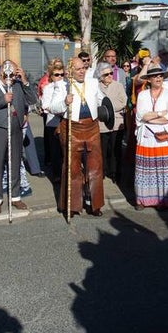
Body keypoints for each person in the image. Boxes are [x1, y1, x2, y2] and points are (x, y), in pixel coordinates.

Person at [0, 59, 36, 214]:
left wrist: (25, 81)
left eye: (15, 74)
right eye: (10, 73)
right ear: (2, 71)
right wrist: (2, 100)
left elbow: (32, 100)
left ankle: (15, 196)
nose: (12, 76)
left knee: (15, 163)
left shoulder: (18, 84)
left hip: (16, 128)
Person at [50, 57, 104, 216]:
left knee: (95, 166)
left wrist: (106, 108)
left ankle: (95, 204)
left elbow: (101, 100)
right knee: (72, 167)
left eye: (83, 68)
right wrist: (64, 102)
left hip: (91, 127)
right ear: (70, 71)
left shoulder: (93, 83)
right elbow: (52, 107)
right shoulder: (62, 86)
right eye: (78, 69)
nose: (82, 71)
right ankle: (71, 205)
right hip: (72, 127)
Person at [133, 65, 168, 210]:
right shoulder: (142, 95)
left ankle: (163, 200)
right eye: (155, 76)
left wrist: (151, 117)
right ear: (149, 79)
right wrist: (160, 114)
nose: (158, 78)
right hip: (146, 137)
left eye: (160, 76)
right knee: (145, 168)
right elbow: (141, 115)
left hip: (164, 137)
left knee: (163, 168)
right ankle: (143, 200)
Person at [95, 61, 126, 184]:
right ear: (100, 76)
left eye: (111, 73)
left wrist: (108, 108)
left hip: (117, 122)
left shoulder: (118, 85)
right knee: (102, 149)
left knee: (115, 149)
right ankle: (103, 171)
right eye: (106, 74)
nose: (109, 76)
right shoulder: (96, 87)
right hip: (102, 123)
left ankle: (115, 173)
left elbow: (123, 101)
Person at [40, 59, 67, 182]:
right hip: (53, 122)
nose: (60, 77)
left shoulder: (67, 85)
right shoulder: (48, 88)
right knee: (55, 151)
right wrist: (57, 109)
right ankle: (57, 175)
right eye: (57, 75)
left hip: (67, 122)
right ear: (51, 76)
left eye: (62, 74)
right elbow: (45, 106)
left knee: (66, 150)